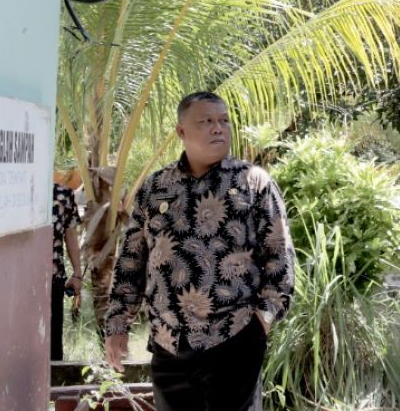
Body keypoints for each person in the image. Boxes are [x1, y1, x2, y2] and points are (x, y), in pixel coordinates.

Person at [104, 91, 295, 411]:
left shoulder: (254, 183)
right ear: (181, 132)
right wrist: (117, 324)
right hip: (170, 346)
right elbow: (132, 260)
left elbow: (280, 257)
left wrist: (262, 321)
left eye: (223, 121)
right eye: (206, 121)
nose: (218, 128)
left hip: (234, 340)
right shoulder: (156, 187)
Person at [51, 178, 83, 361]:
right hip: (12, 281)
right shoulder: (9, 191)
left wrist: (77, 273)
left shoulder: (63, 195)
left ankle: (54, 386)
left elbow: (70, 235)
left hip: (53, 280)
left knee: (53, 343)